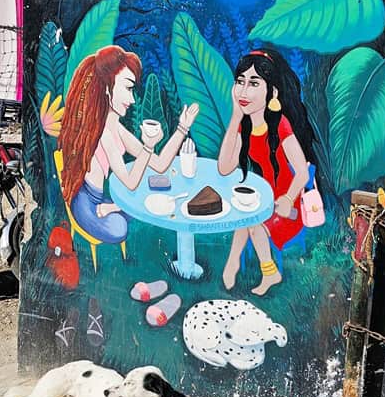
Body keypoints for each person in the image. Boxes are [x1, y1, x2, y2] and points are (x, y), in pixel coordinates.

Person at [58, 44, 199, 243]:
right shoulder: (103, 132)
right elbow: (131, 183)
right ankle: (117, 208)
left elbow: (159, 165)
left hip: (102, 202)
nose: (132, 99)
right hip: (87, 205)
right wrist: (148, 146)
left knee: (150, 198)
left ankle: (115, 207)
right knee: (120, 228)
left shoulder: (116, 126)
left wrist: (182, 129)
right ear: (107, 89)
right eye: (128, 88)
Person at [217, 48, 317, 296]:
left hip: (289, 204)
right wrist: (235, 116)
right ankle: (233, 263)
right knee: (246, 214)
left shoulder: (280, 124)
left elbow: (302, 173)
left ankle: (269, 271)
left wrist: (286, 198)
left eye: (253, 83)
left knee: (252, 222)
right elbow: (224, 167)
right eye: (240, 82)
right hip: (265, 198)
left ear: (271, 92)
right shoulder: (246, 124)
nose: (244, 91)